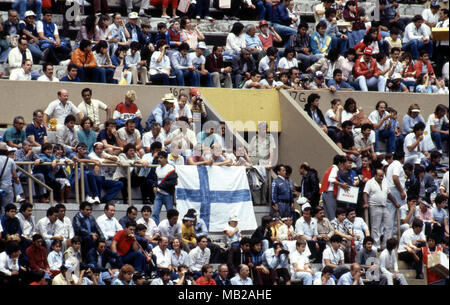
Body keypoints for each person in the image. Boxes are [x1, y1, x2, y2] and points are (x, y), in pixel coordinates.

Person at [363, 168, 391, 250]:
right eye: (379, 176)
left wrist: (395, 202)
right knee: (375, 227)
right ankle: (376, 246)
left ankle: (386, 245)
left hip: (384, 206)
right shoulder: (370, 182)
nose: (381, 178)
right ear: (375, 175)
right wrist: (366, 203)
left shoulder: (385, 182)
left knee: (389, 226)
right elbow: (365, 193)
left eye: (382, 176)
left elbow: (388, 193)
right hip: (374, 206)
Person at [320, 155, 348, 220]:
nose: (343, 166)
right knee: (332, 215)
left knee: (327, 215)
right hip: (330, 193)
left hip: (326, 193)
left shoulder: (331, 168)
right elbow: (331, 179)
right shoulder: (335, 169)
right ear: (339, 163)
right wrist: (341, 184)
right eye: (343, 164)